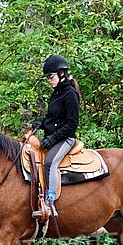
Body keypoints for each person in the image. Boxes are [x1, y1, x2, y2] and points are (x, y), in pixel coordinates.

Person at [32, 54, 81, 216]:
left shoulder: (70, 94)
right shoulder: (57, 93)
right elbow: (52, 118)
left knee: (50, 163)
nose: (49, 80)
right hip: (53, 137)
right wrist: (41, 122)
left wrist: (53, 138)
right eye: (48, 77)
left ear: (61, 74)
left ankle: (50, 202)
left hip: (66, 138)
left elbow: (71, 124)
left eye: (51, 77)